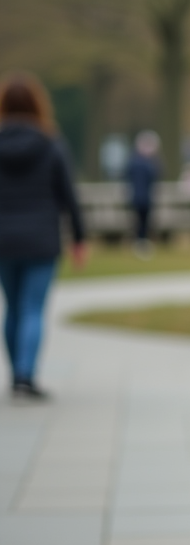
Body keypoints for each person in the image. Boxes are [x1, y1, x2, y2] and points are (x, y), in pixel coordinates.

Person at [0, 72, 87, 400]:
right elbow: (68, 195)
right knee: (33, 308)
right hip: (41, 238)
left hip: (3, 240)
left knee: (12, 307)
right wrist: (79, 238)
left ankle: (15, 375)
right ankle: (26, 375)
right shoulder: (52, 144)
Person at [126, 130, 160, 257]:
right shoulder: (146, 163)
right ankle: (141, 243)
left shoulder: (134, 160)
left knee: (142, 221)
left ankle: (141, 243)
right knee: (142, 222)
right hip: (143, 197)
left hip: (139, 196)